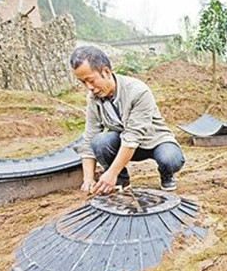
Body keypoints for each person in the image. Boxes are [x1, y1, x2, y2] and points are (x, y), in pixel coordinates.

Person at [70, 46, 184, 194]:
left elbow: (133, 136)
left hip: (155, 141)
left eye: (90, 80)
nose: (89, 87)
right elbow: (89, 138)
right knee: (99, 141)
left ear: (106, 71)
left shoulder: (138, 91)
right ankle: (121, 180)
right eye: (83, 82)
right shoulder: (93, 99)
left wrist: (111, 173)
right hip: (125, 144)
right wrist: (88, 179)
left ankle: (167, 175)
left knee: (170, 159)